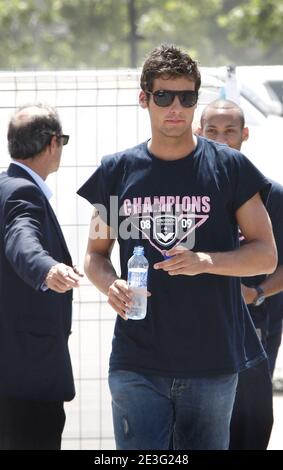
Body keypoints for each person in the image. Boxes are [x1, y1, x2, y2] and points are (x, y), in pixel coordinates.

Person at [77, 45, 277, 450]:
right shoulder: (116, 171)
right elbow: (95, 256)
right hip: (136, 362)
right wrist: (111, 285)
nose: (176, 108)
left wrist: (207, 261)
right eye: (164, 96)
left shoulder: (229, 168)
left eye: (187, 97)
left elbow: (266, 254)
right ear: (144, 98)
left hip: (212, 361)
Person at [198, 98, 283, 449]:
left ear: (244, 134)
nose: (221, 140)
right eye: (212, 131)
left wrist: (257, 293)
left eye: (229, 131)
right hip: (198, 330)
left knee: (250, 421)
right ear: (198, 133)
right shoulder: (187, 196)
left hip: (256, 327)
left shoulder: (271, 195)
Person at [0, 103, 82, 450]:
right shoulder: (23, 192)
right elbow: (22, 239)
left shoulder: (5, 186)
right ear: (52, 143)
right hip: (26, 380)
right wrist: (47, 269)